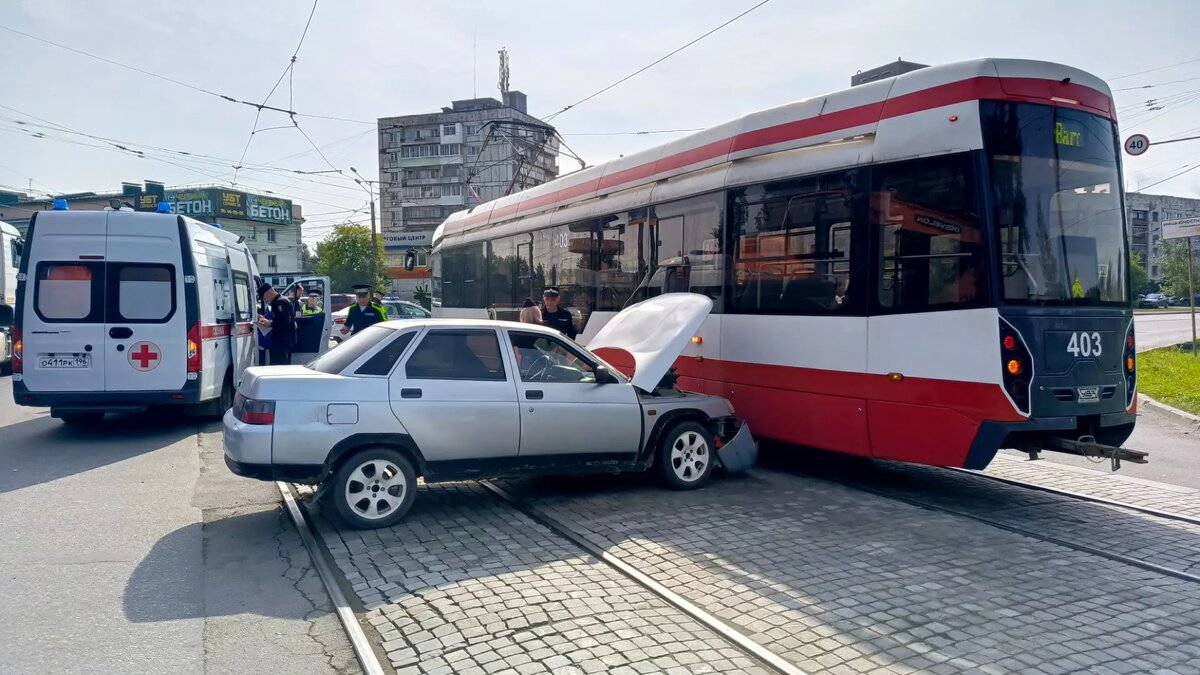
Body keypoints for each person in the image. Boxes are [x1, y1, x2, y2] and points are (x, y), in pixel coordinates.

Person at [257, 282, 296, 365]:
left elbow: (285, 321)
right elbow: (279, 319)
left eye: (263, 297)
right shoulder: (277, 302)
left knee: (279, 367)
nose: (264, 299)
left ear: (268, 292)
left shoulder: (280, 302)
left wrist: (270, 324)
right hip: (280, 341)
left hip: (282, 342)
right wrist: (266, 321)